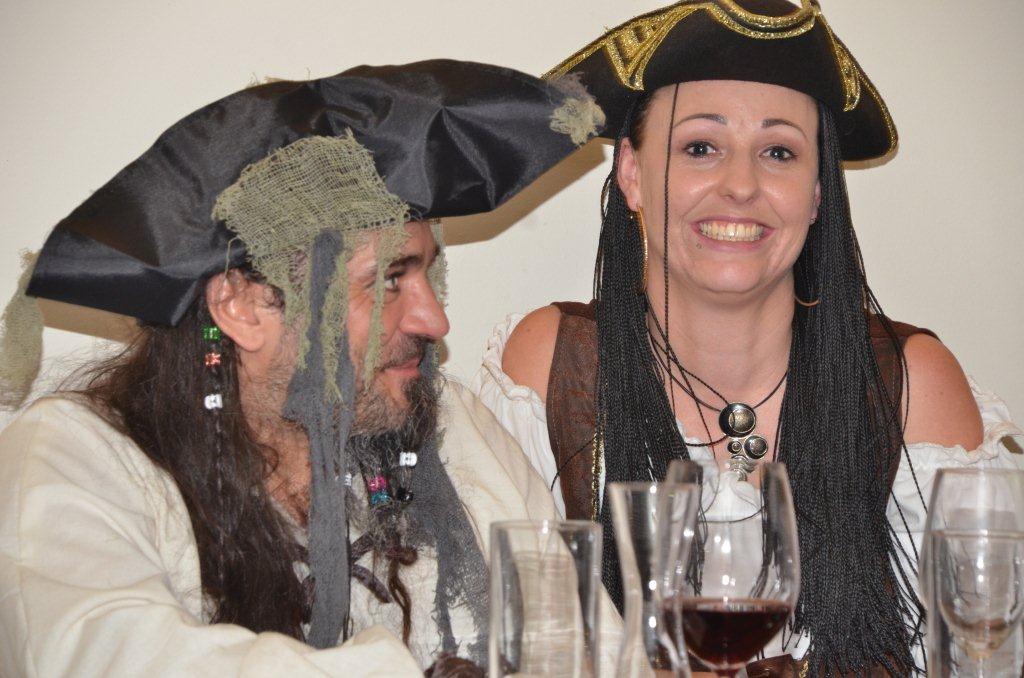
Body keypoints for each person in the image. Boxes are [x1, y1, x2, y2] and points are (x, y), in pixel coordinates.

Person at [471, 1, 1024, 675]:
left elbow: (981, 655)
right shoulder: (553, 365)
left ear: (816, 194)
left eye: (778, 152)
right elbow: (515, 645)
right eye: (700, 148)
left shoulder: (910, 385)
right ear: (632, 175)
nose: (741, 185)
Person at [0, 59, 604, 676]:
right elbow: (118, 658)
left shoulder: (458, 427)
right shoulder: (75, 455)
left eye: (427, 271)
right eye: (388, 280)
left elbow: (597, 649)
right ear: (242, 306)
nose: (435, 320)